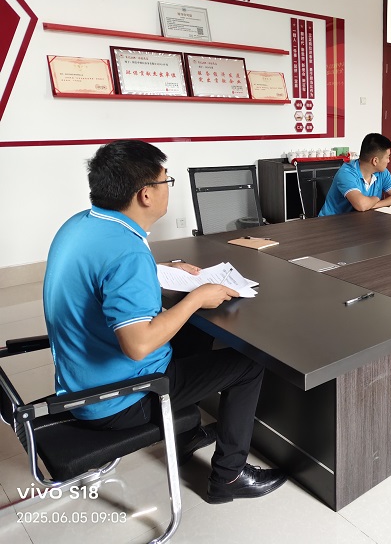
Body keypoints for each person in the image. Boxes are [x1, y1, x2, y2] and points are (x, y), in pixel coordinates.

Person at [43, 139, 286, 504]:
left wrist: (159, 269)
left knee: (196, 332)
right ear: (145, 194)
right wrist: (196, 298)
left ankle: (185, 437)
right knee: (249, 364)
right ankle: (229, 476)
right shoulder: (127, 253)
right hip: (117, 399)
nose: (168, 187)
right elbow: (138, 346)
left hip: (79, 381)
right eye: (165, 180)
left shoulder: (81, 225)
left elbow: (100, 274)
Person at [318, 132, 391, 216]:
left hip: (360, 220)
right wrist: (376, 198)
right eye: (387, 157)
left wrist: (374, 204)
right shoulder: (346, 173)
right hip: (331, 222)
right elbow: (361, 205)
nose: (388, 161)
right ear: (375, 161)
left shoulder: (382, 172)